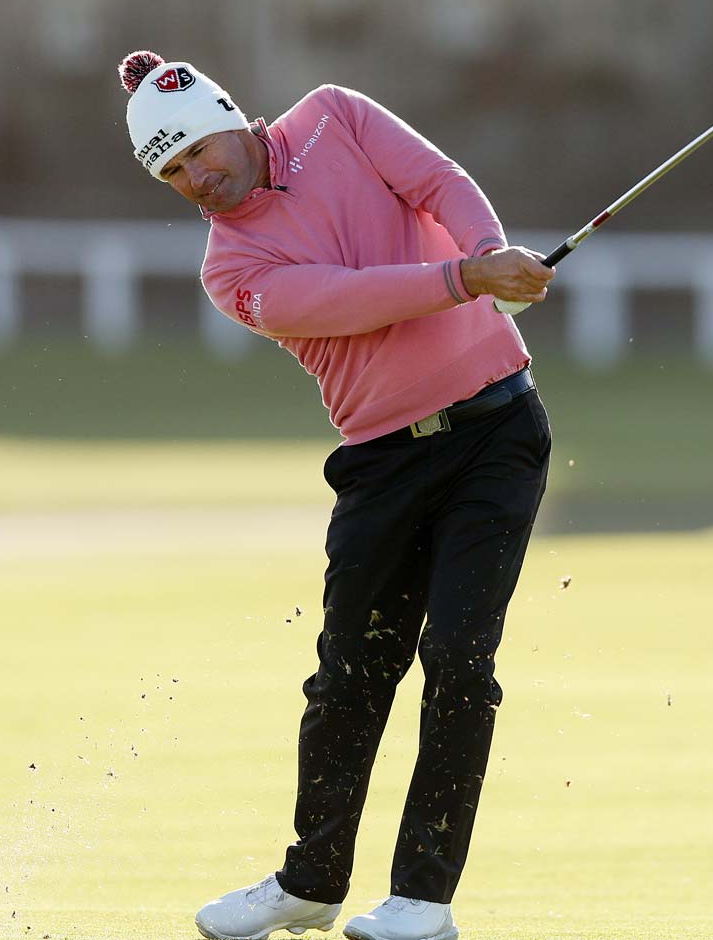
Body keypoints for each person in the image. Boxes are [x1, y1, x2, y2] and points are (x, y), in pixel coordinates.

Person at [117, 51, 554, 940]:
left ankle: (423, 902)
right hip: (383, 464)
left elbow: (440, 181)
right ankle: (310, 883)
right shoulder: (231, 266)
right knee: (350, 676)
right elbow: (348, 302)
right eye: (174, 173)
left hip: (496, 435)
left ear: (230, 117)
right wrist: (468, 280)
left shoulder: (334, 116)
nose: (199, 178)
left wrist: (487, 251)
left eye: (199, 150)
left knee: (461, 664)